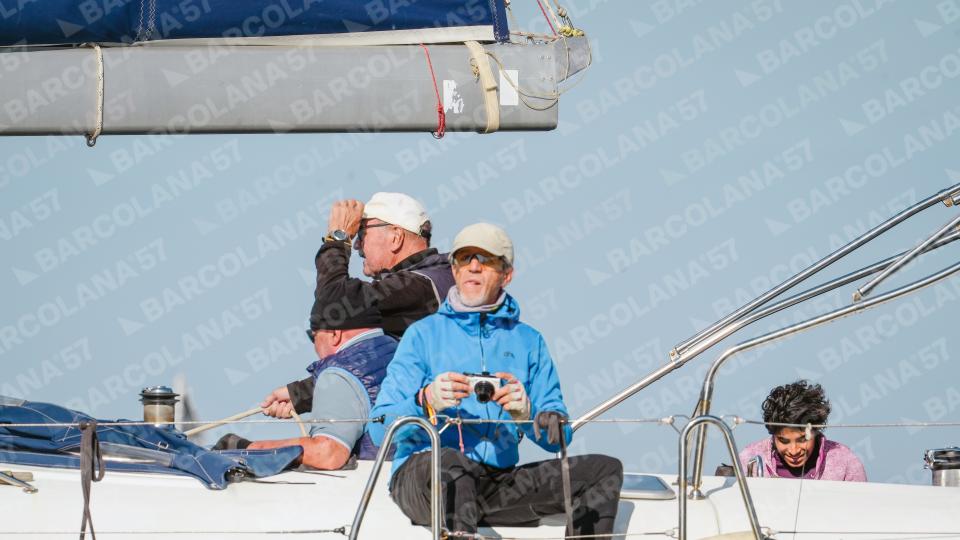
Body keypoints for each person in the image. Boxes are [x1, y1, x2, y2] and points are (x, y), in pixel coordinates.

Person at [369, 223, 623, 537]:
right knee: (451, 463)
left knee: (603, 470)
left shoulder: (529, 341)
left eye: (486, 259)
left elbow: (559, 438)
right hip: (424, 477)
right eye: (465, 258)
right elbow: (378, 428)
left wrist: (527, 414)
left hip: (493, 482)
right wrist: (426, 400)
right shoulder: (422, 335)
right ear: (455, 270)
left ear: (506, 274)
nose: (474, 266)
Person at [261, 192, 455, 419]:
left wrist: (338, 238)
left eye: (361, 233)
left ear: (396, 237)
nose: (356, 246)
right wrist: (301, 394)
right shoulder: (429, 282)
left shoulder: (422, 285)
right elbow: (377, 363)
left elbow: (332, 306)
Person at [213, 289, 397, 470]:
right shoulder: (398, 351)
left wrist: (247, 449)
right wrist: (298, 396)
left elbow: (328, 453)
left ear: (335, 334)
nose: (314, 346)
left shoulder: (337, 374)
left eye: (313, 336)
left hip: (377, 484)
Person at [739, 380, 867, 481]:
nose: (794, 451)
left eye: (802, 439)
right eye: (784, 441)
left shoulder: (845, 461)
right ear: (773, 434)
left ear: (816, 429)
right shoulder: (748, 458)